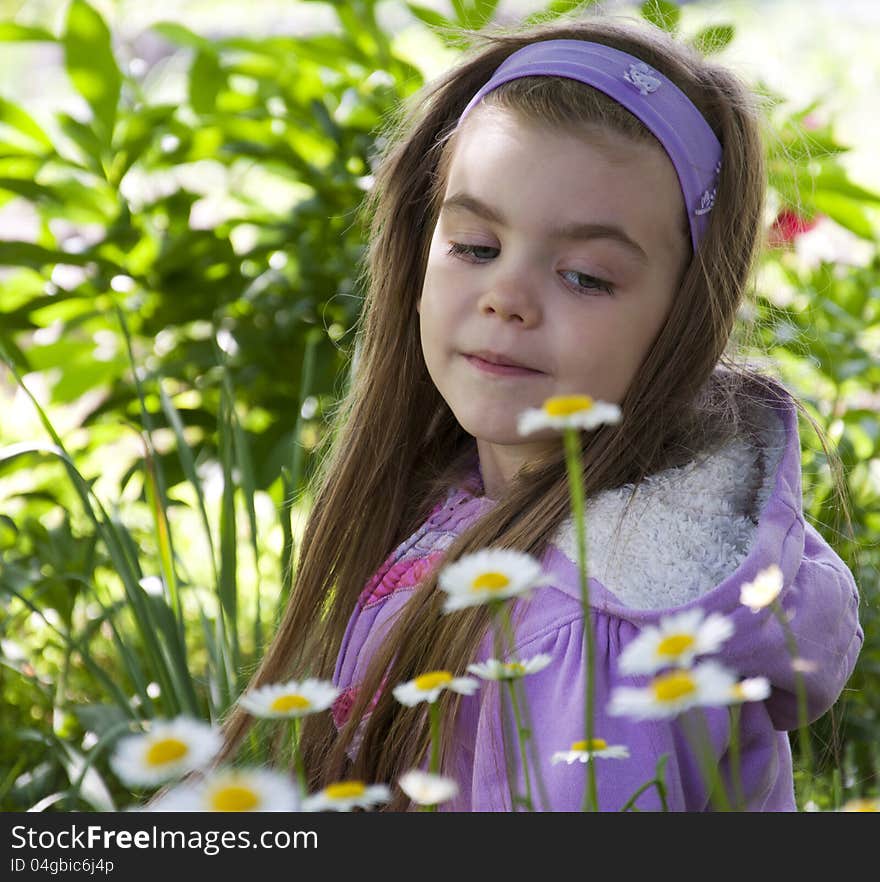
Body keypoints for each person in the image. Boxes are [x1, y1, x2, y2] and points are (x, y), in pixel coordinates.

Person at [221, 16, 863, 811]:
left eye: (587, 277)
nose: (507, 299)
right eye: (476, 246)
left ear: (685, 318)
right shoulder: (462, 492)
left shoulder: (593, 634)